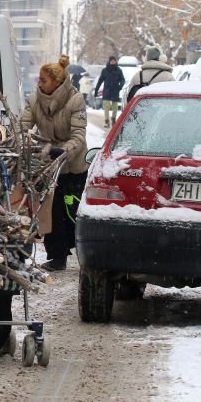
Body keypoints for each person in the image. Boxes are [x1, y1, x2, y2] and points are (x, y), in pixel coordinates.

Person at [21, 55, 89, 272]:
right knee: (50, 211)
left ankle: (85, 253)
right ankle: (57, 257)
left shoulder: (75, 100)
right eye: (38, 80)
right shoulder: (34, 100)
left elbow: (78, 136)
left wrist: (64, 151)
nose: (39, 84)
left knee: (73, 212)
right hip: (48, 164)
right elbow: (22, 127)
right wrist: (20, 143)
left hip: (73, 165)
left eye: (43, 80)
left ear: (57, 83)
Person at [94, 56, 126, 126]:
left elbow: (122, 79)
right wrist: (96, 90)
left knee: (115, 106)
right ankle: (107, 121)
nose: (113, 62)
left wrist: (121, 85)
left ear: (116, 61)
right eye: (111, 61)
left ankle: (113, 119)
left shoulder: (119, 70)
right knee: (106, 106)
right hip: (107, 90)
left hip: (115, 90)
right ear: (109, 61)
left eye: (114, 61)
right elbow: (100, 81)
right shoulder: (105, 70)